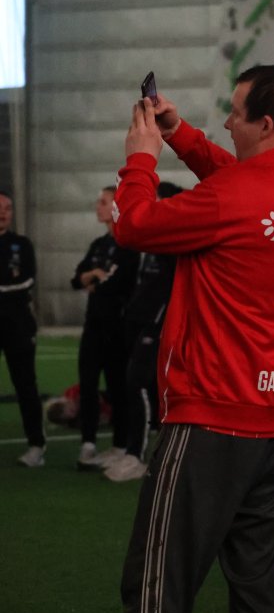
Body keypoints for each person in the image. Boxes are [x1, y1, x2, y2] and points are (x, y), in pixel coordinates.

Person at [108, 64, 274, 613]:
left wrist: (142, 156)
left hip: (211, 419)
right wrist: (181, 135)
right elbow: (241, 184)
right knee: (256, 580)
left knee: (158, 580)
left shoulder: (235, 195)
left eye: (235, 112)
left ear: (266, 124)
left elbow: (133, 225)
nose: (227, 122)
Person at [103, 182, 182, 483]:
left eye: (156, 201)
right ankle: (135, 449)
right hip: (140, 320)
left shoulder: (173, 243)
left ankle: (137, 455)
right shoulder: (148, 245)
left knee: (138, 381)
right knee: (139, 384)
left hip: (158, 322)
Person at [73, 186, 138, 471]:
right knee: (87, 384)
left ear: (116, 207)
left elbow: (118, 283)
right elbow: (77, 279)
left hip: (117, 329)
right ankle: (87, 442)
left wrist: (96, 280)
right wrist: (93, 275)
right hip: (93, 327)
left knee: (118, 387)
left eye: (103, 202)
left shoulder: (130, 246)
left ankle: (120, 444)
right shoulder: (99, 244)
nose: (97, 206)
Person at [2, 193, 47, 468]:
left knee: (25, 385)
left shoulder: (21, 244)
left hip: (18, 325)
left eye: (7, 208)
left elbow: (28, 279)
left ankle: (36, 446)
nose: (3, 213)